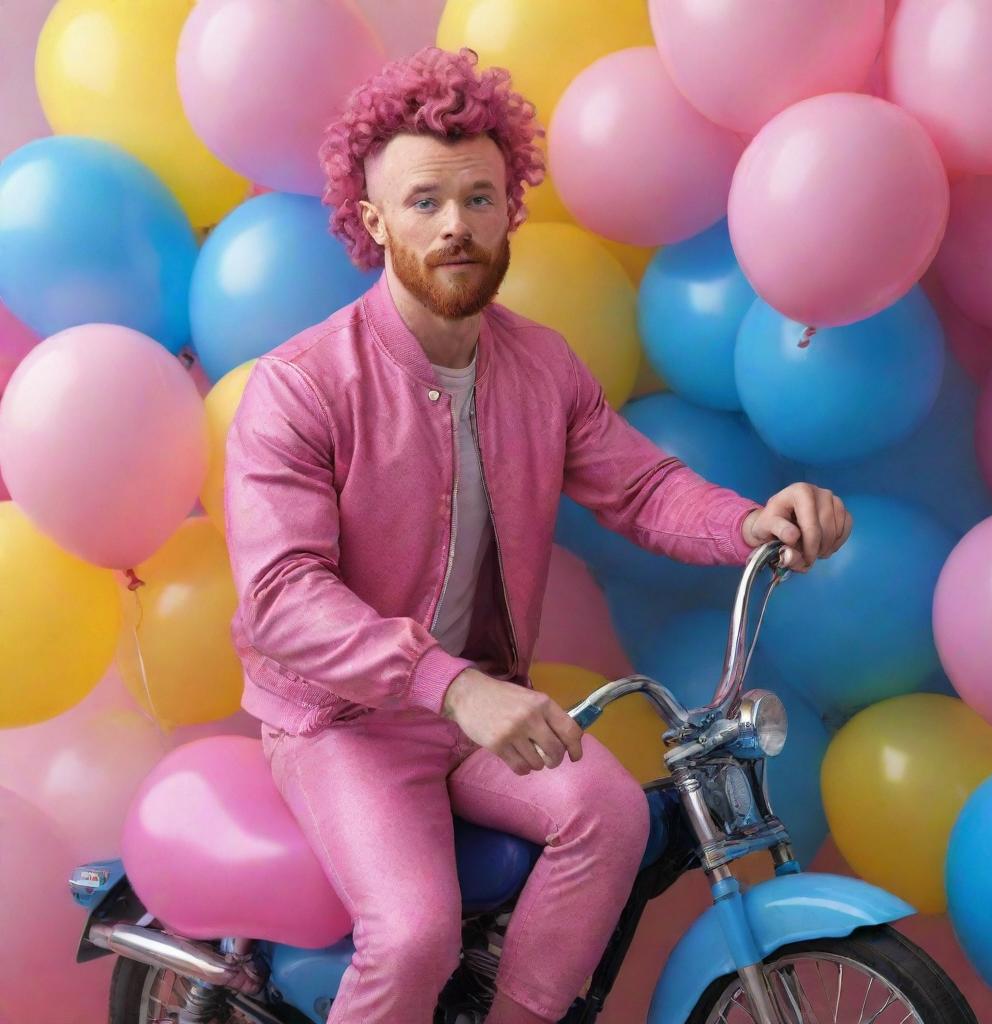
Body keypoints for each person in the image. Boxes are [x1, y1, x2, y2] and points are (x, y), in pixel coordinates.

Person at [223, 45, 852, 1024]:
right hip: (343, 720)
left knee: (607, 816)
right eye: (423, 201)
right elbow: (280, 599)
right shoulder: (302, 384)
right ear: (370, 219)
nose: (455, 225)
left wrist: (748, 520)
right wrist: (452, 686)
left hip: (484, 709)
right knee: (416, 932)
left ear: (510, 207)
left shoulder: (540, 366)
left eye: (479, 198)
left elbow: (640, 487)